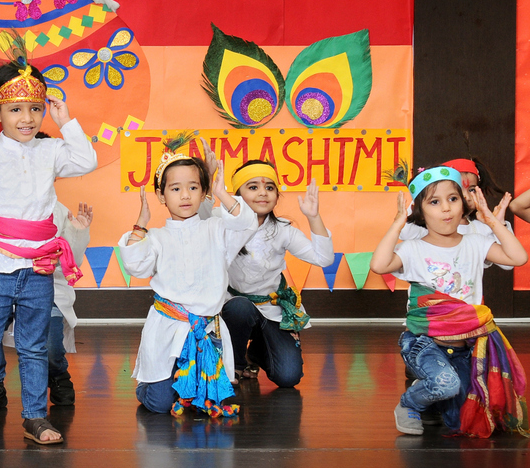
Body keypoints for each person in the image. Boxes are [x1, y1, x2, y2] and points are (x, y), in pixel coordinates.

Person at [0, 37, 97, 446]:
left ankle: (35, 418)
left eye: (35, 109)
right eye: (15, 109)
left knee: (33, 347)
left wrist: (67, 121)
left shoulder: (52, 149)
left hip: (38, 269)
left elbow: (87, 161)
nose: (26, 118)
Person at [370, 165, 529, 437]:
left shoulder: (477, 243)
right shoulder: (413, 249)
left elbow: (518, 258)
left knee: (463, 420)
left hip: (468, 345)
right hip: (426, 343)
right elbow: (379, 265)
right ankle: (409, 402)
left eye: (452, 199)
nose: (446, 208)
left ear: (463, 204)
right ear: (420, 211)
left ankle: (435, 400)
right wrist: (398, 223)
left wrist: (492, 222)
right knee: (445, 384)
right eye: (435, 202)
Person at [117, 134, 257, 417]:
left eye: (193, 187)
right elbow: (136, 266)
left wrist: (221, 192)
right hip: (170, 328)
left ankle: (195, 386)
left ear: (203, 192)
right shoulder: (155, 237)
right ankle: (150, 384)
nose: (184, 195)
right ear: (161, 195)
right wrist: (141, 225)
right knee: (158, 404)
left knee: (205, 400)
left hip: (205, 330)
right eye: (176, 188)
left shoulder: (217, 229)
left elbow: (247, 222)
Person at [0, 181, 92, 411]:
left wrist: (78, 231)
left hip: (44, 285)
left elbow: (73, 260)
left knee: (48, 346)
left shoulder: (57, 210)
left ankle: (57, 373)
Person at [220, 160, 333, 387]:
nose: (263, 193)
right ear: (237, 194)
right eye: (253, 187)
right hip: (235, 308)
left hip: (272, 308)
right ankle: (238, 364)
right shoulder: (221, 225)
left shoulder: (283, 229)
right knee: (239, 308)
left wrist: (313, 217)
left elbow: (324, 259)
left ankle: (257, 353)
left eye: (269, 187)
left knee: (288, 377)